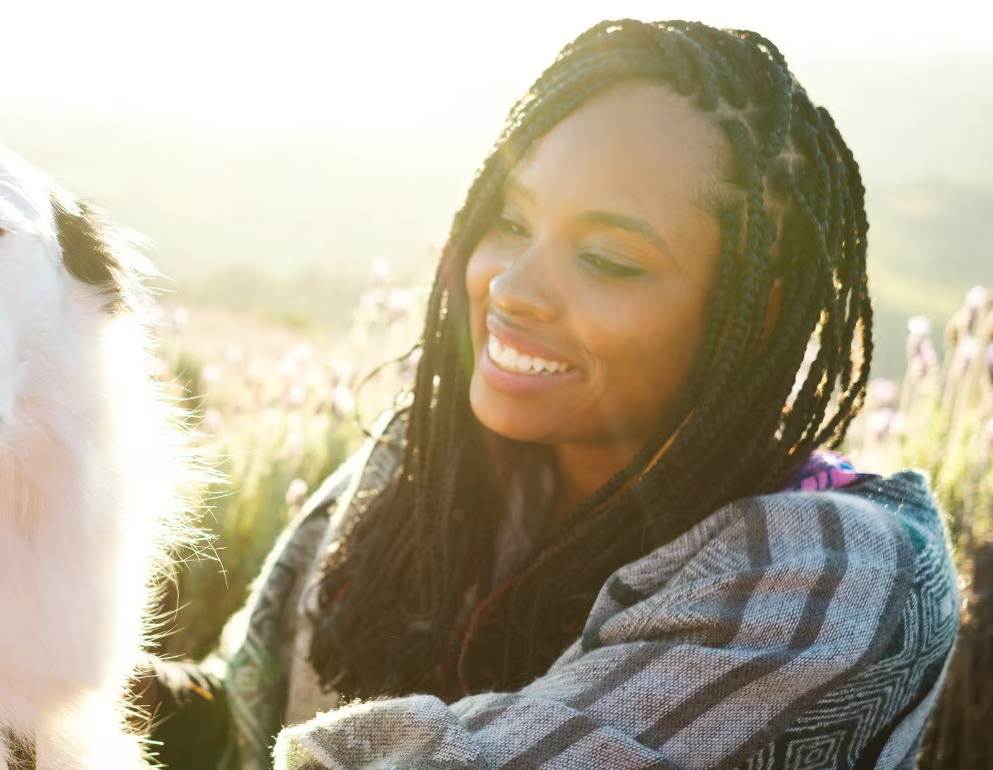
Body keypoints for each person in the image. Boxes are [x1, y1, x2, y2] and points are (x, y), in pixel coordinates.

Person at [141, 19, 960, 770]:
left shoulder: (840, 584)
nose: (512, 287)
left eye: (607, 260)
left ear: (755, 316)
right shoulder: (420, 467)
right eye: (510, 220)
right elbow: (234, 713)